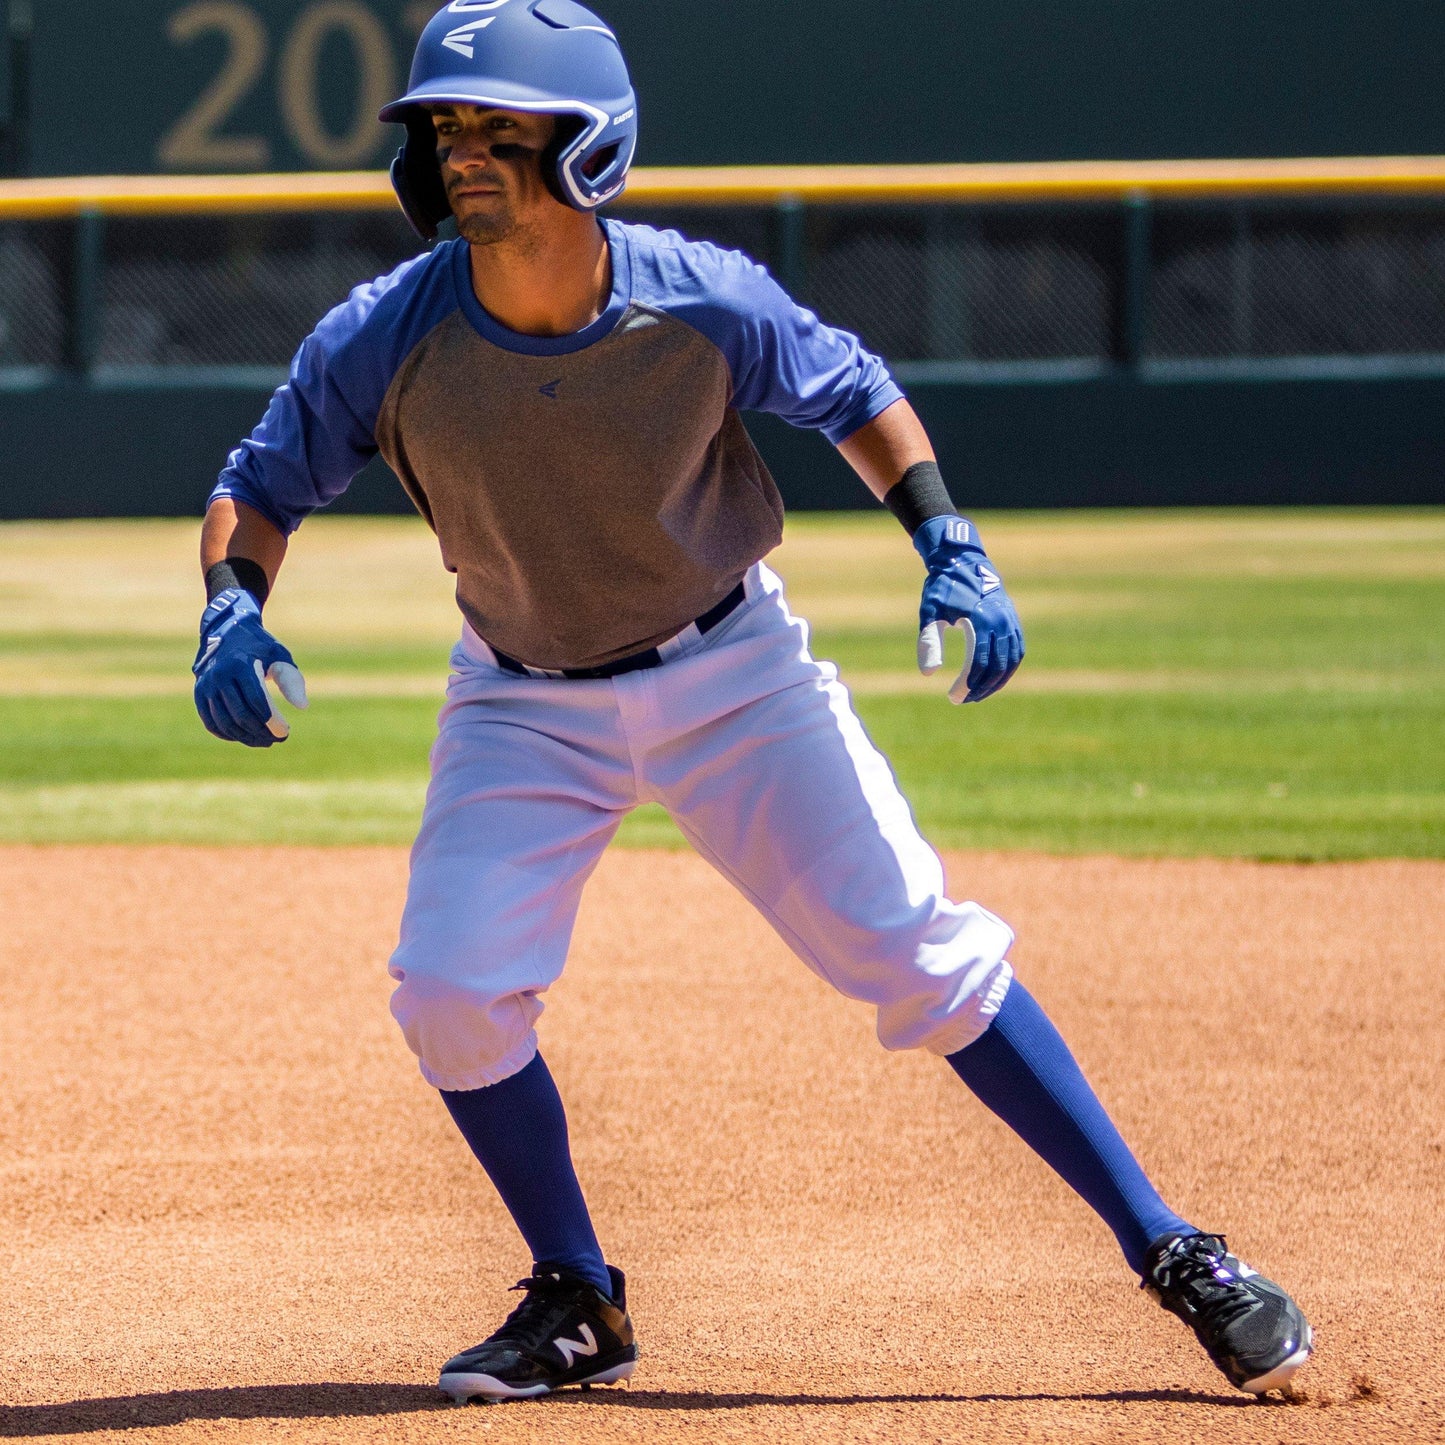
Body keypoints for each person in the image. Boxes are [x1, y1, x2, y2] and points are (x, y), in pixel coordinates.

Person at [192, 0, 1312, 1406]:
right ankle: (576, 1293)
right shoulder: (387, 330)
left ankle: (1172, 1247)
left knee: (924, 957)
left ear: (587, 146)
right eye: (442, 130)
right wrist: (232, 599)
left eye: (494, 127)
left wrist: (946, 543)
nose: (458, 151)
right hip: (519, 694)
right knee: (451, 995)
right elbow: (261, 481)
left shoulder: (700, 297)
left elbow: (854, 391)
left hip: (731, 672)